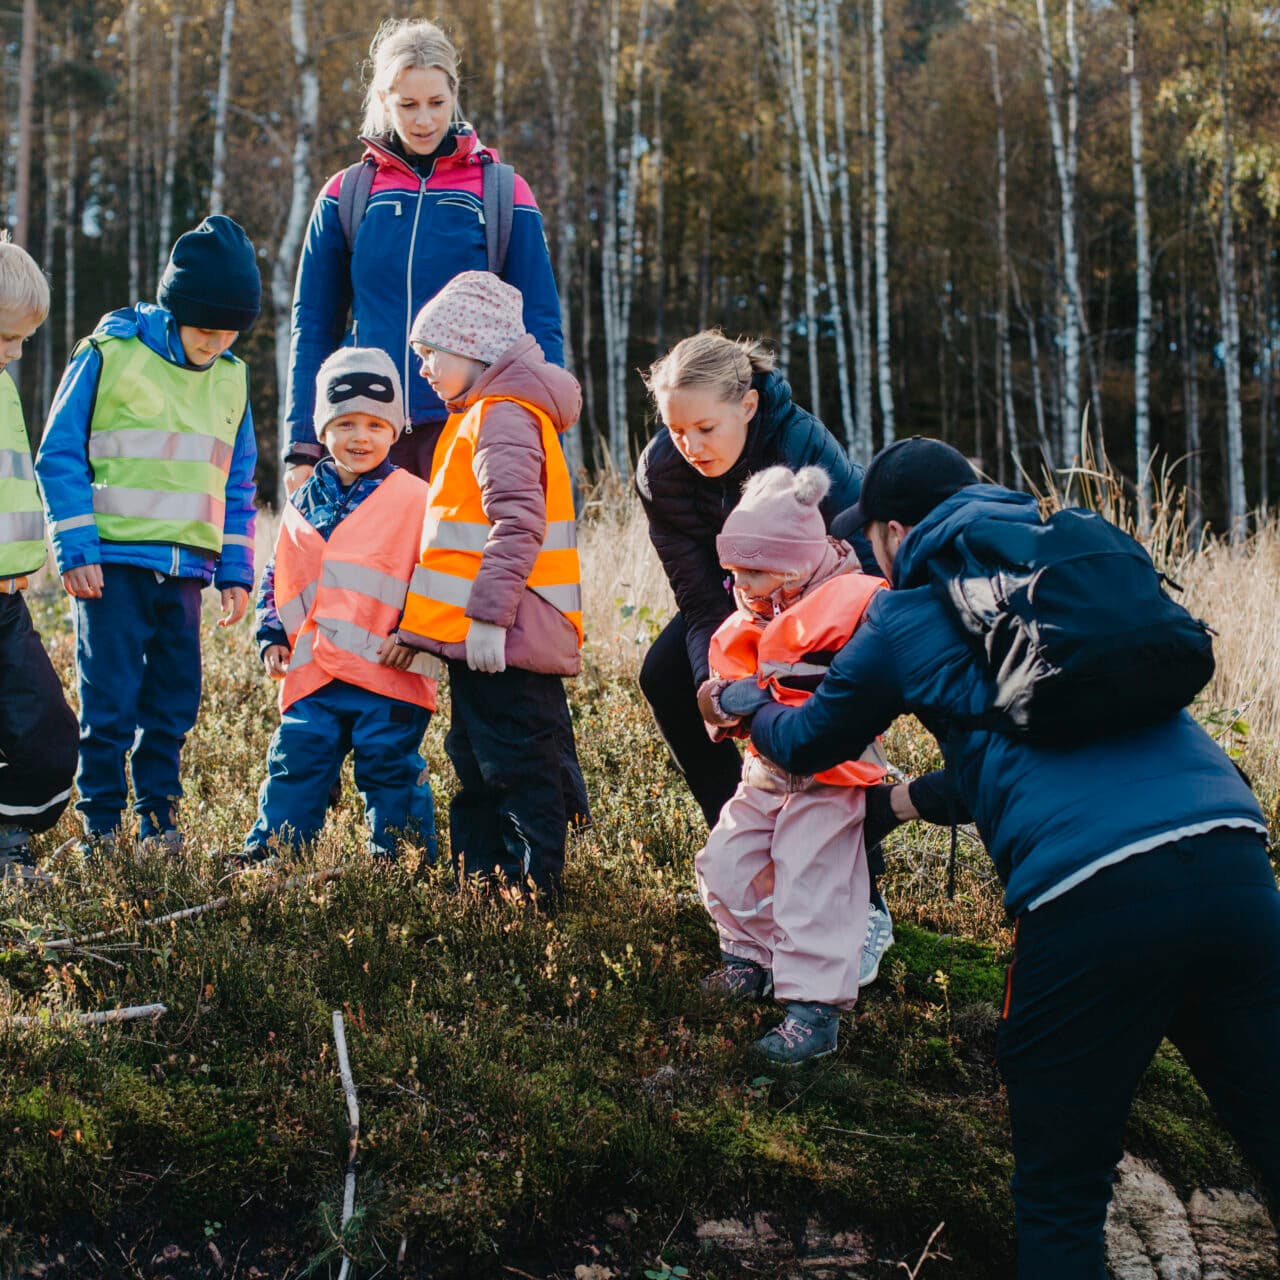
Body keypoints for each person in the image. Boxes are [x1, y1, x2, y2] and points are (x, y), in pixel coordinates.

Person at [746, 436, 1280, 1277]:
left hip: (1088, 899)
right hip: (1233, 865)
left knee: (1061, 1192)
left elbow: (810, 741)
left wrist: (748, 705)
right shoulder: (1060, 569)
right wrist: (898, 804)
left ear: (889, 532)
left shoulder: (902, 613)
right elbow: (1030, 746)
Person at [635, 329, 895, 986]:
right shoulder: (662, 473)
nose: (690, 446)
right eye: (675, 429)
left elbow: (862, 561)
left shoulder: (802, 443)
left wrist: (811, 668)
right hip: (744, 600)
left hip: (837, 595)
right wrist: (718, 690)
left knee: (819, 727)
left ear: (747, 407)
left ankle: (861, 896)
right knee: (667, 677)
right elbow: (700, 601)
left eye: (704, 427)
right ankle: (750, 845)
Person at [35, 215, 260, 854]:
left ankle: (159, 821)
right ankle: (101, 828)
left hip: (186, 572)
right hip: (110, 566)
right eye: (205, 329)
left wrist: (236, 571)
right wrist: (75, 550)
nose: (215, 343)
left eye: (229, 333)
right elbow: (59, 454)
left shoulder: (233, 378)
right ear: (175, 308)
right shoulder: (109, 355)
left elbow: (238, 481)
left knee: (171, 707)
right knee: (108, 706)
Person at [282, 17, 564, 490]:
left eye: (437, 103)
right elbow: (313, 324)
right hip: (366, 434)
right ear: (383, 101)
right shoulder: (346, 194)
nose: (424, 120)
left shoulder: (501, 191)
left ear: (454, 95)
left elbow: (539, 320)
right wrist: (304, 447)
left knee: (464, 565)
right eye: (407, 104)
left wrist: (540, 428)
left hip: (473, 434)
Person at [397, 271, 586, 900]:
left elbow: (519, 522)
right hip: (491, 636)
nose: (422, 367)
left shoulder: (502, 416)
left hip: (508, 633)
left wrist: (486, 619)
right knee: (476, 755)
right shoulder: (480, 414)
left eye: (432, 354)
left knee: (514, 764)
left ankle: (533, 894)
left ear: (475, 351)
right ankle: (482, 884)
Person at [694, 466, 890, 1065]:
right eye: (734, 573)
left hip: (831, 774)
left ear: (797, 562)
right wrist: (722, 701)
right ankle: (749, 956)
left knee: (814, 882)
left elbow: (876, 680)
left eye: (754, 571)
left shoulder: (859, 602)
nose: (741, 584)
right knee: (727, 860)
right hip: (764, 769)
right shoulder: (746, 617)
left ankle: (814, 1009)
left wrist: (794, 695)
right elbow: (715, 688)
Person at [238, 349, 439, 866]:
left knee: (390, 769)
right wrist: (272, 634)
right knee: (296, 763)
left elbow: (437, 578)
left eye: (375, 424)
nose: (360, 436)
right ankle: (274, 856)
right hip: (315, 673)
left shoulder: (417, 498)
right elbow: (278, 571)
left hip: (390, 673)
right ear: (323, 429)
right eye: (345, 422)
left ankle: (404, 864)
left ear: (395, 431)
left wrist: (415, 634)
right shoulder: (304, 499)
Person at [0, 238, 78, 882]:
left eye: (24, 339)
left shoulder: (1, 385)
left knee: (50, 735)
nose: (16, 353)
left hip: (6, 601)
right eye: (5, 337)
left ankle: (9, 827)